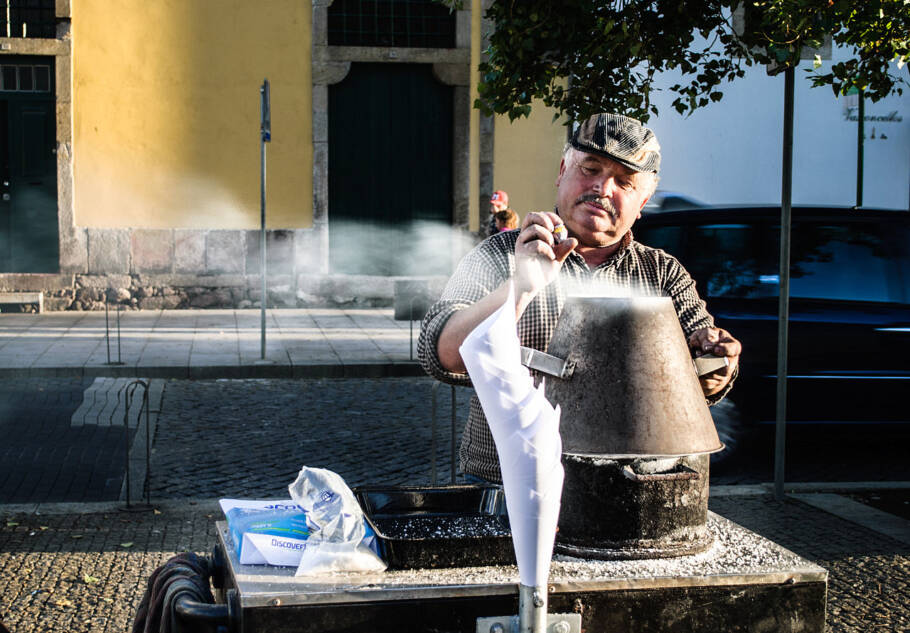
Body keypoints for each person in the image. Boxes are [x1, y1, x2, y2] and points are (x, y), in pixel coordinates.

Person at [418, 112, 741, 484]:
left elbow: (705, 377)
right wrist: (521, 285)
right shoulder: (500, 254)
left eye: (624, 182)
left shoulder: (663, 274)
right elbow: (440, 354)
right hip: (508, 481)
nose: (603, 189)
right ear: (561, 171)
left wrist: (718, 363)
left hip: (628, 488)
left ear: (644, 201)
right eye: (590, 168)